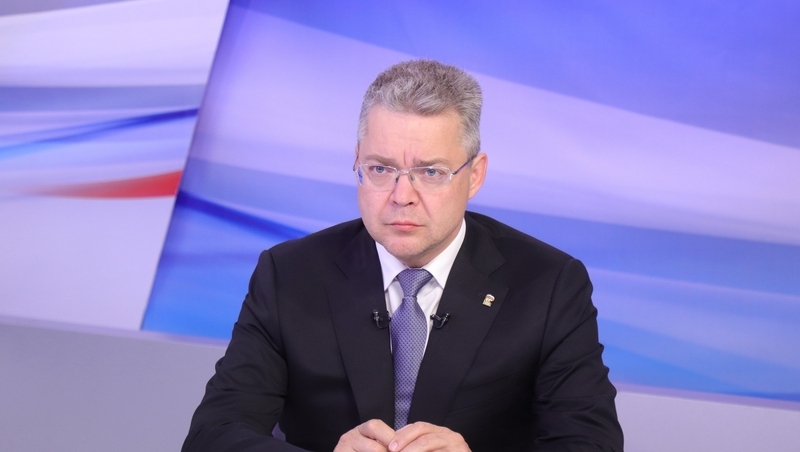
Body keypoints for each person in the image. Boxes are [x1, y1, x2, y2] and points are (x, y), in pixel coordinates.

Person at [183, 60, 623, 452]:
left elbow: (591, 443)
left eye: (430, 172)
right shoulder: (290, 274)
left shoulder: (548, 284)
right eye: (381, 169)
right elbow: (213, 434)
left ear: (474, 175)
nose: (402, 195)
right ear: (356, 162)